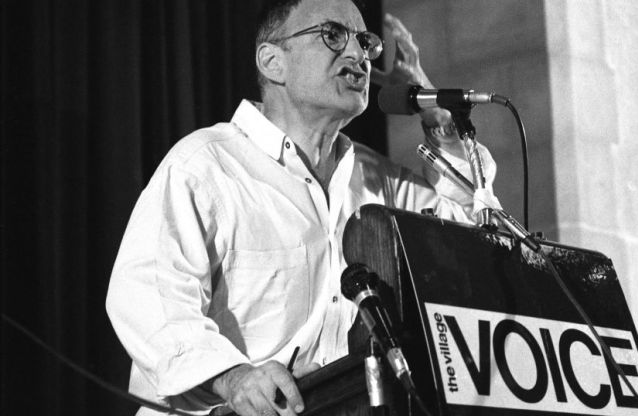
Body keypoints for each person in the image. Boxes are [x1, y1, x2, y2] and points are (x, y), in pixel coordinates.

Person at [106, 0, 498, 415]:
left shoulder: (379, 180)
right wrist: (234, 377)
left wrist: (433, 109)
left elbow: (476, 243)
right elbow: (147, 295)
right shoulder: (206, 166)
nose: (358, 56)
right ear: (272, 61)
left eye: (366, 43)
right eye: (333, 36)